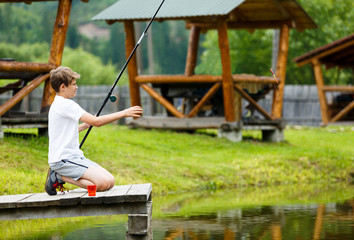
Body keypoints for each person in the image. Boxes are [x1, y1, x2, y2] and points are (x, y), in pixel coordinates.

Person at [45, 66, 143, 195]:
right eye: (73, 84)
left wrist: (85, 125)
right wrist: (124, 113)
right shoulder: (66, 104)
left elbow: (66, 131)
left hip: (74, 157)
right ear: (63, 87)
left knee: (110, 181)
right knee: (101, 184)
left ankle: (59, 175)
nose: (76, 87)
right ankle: (57, 177)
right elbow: (96, 123)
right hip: (63, 160)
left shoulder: (58, 104)